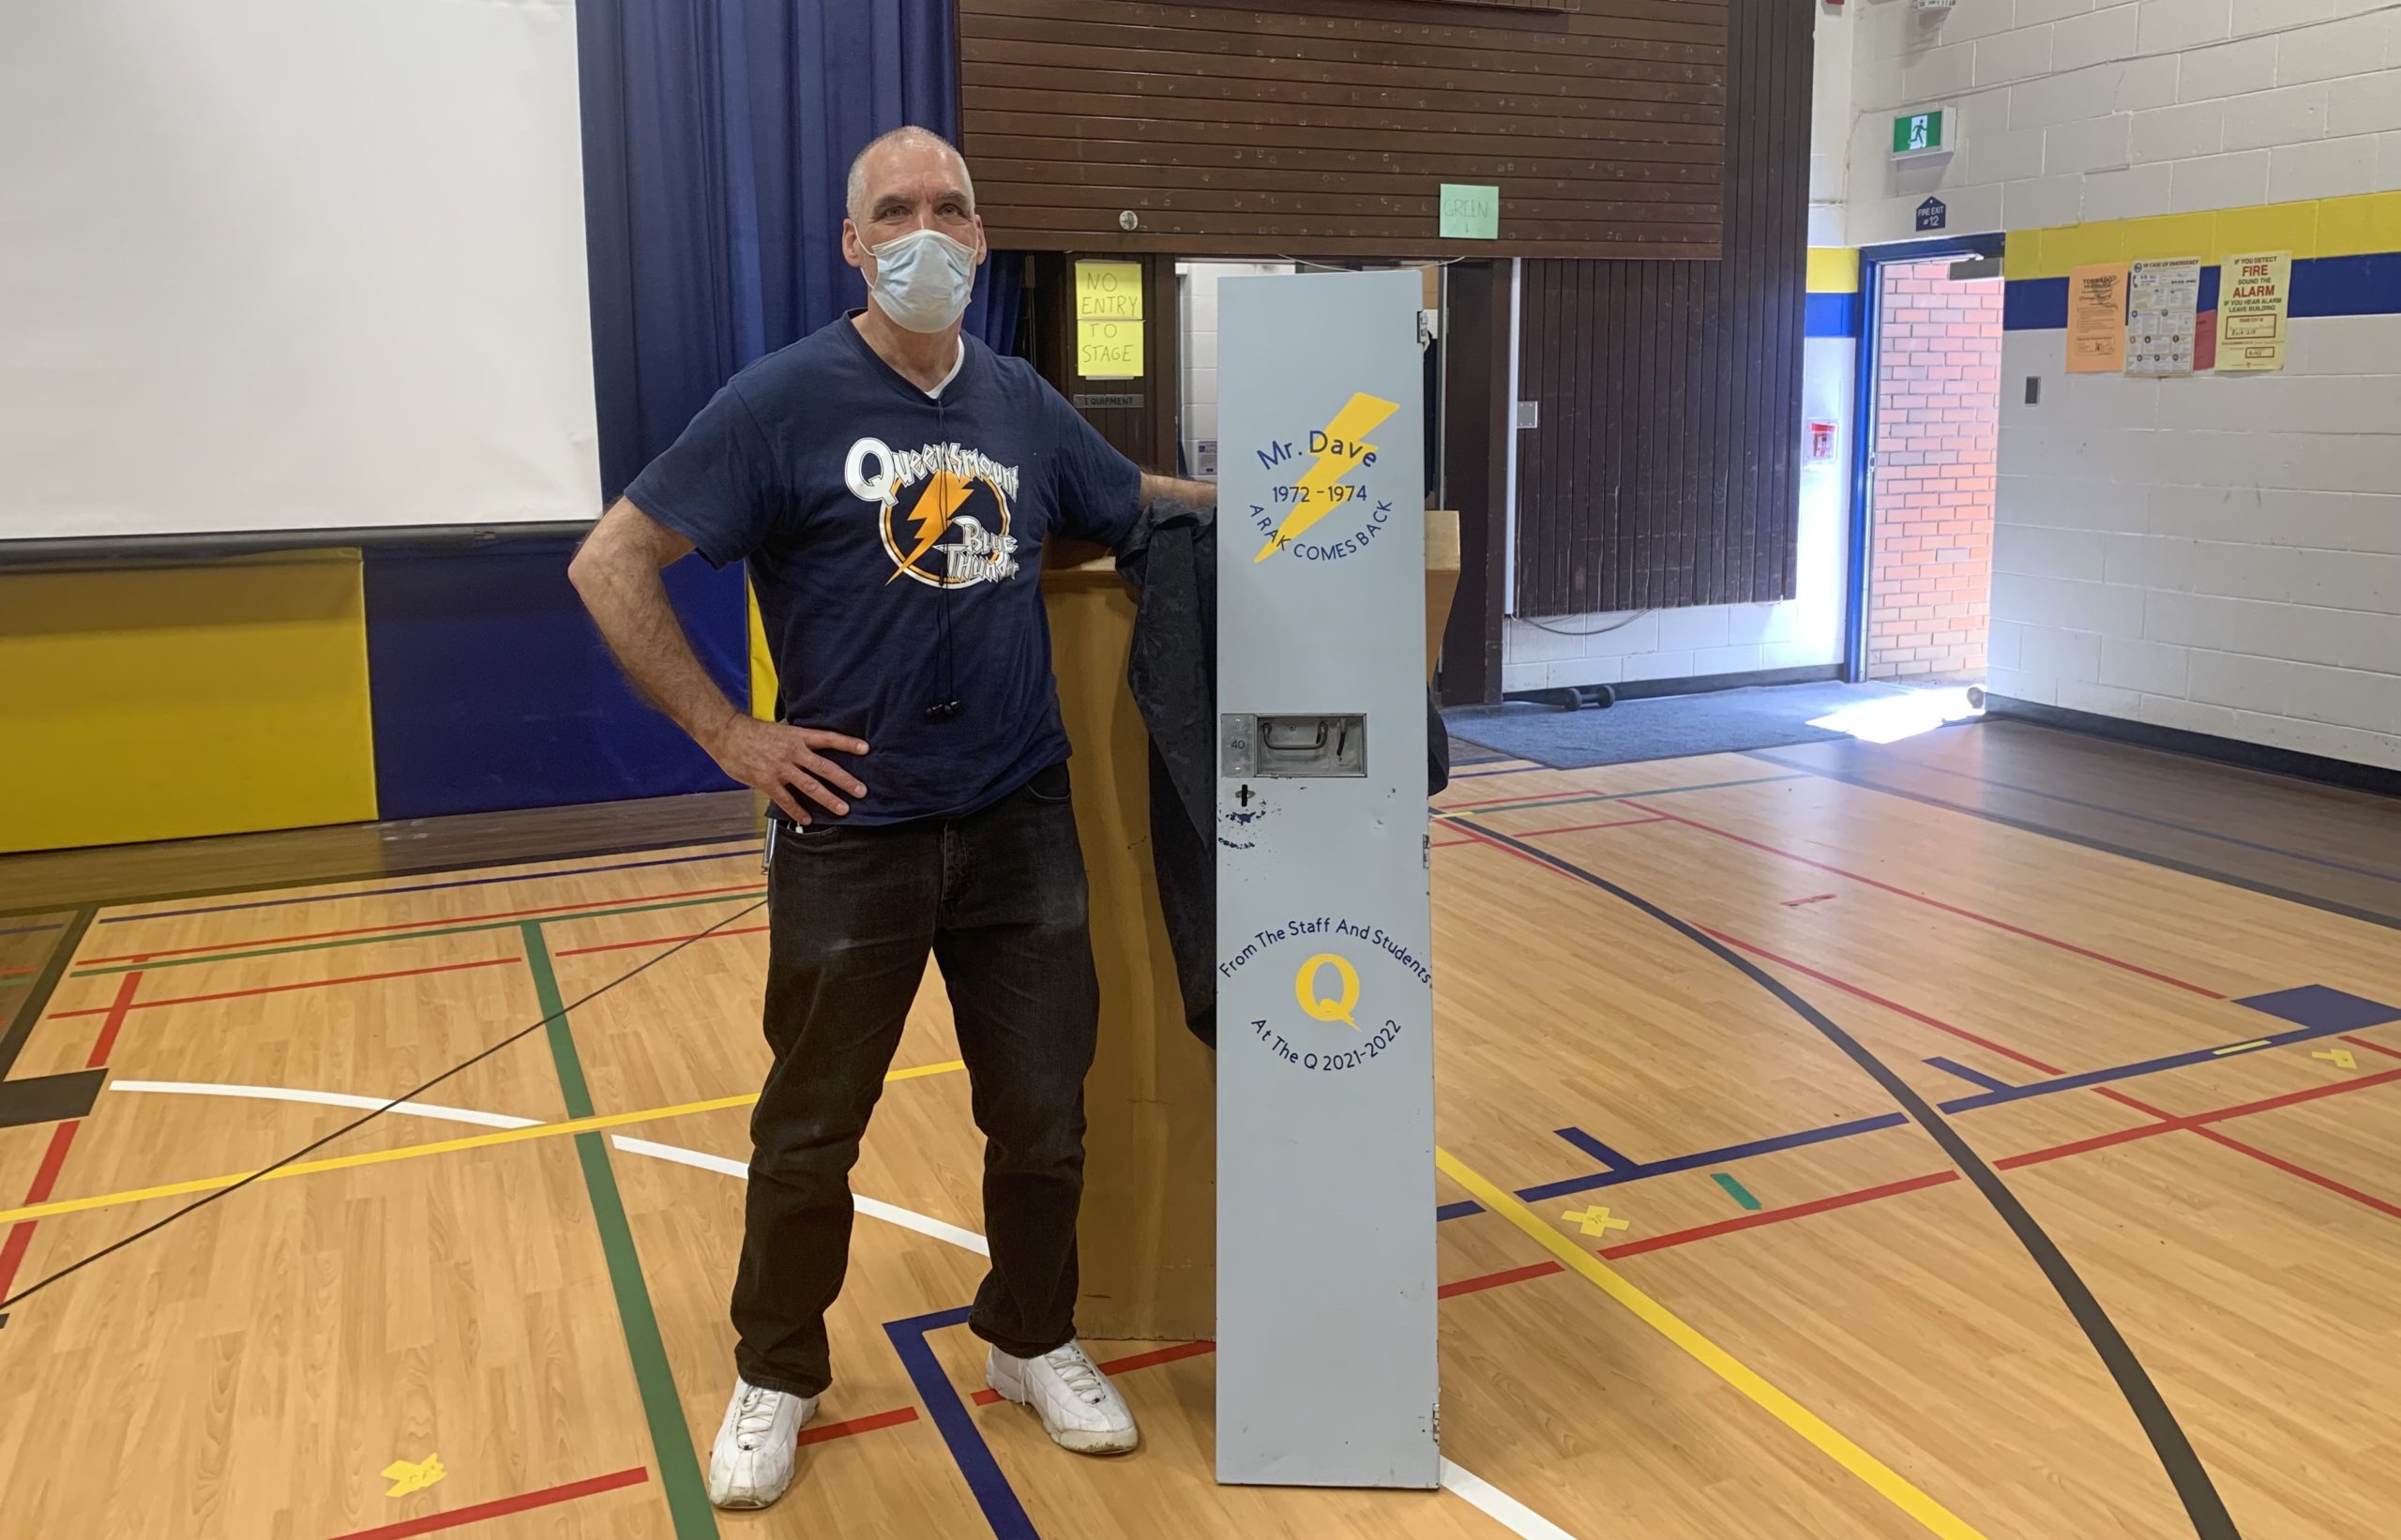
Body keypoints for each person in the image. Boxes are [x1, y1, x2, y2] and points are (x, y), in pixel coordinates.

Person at [568, 126, 1211, 1511]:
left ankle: (1032, 1338)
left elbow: (1126, 501)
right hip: (851, 832)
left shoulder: (1021, 401)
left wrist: (1264, 503)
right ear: (855, 245)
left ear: (982, 238)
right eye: (897, 211)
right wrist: (731, 734)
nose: (928, 230)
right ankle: (777, 1368)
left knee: (1043, 1113)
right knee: (812, 1127)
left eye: (953, 209)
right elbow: (611, 558)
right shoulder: (781, 402)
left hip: (1017, 819)